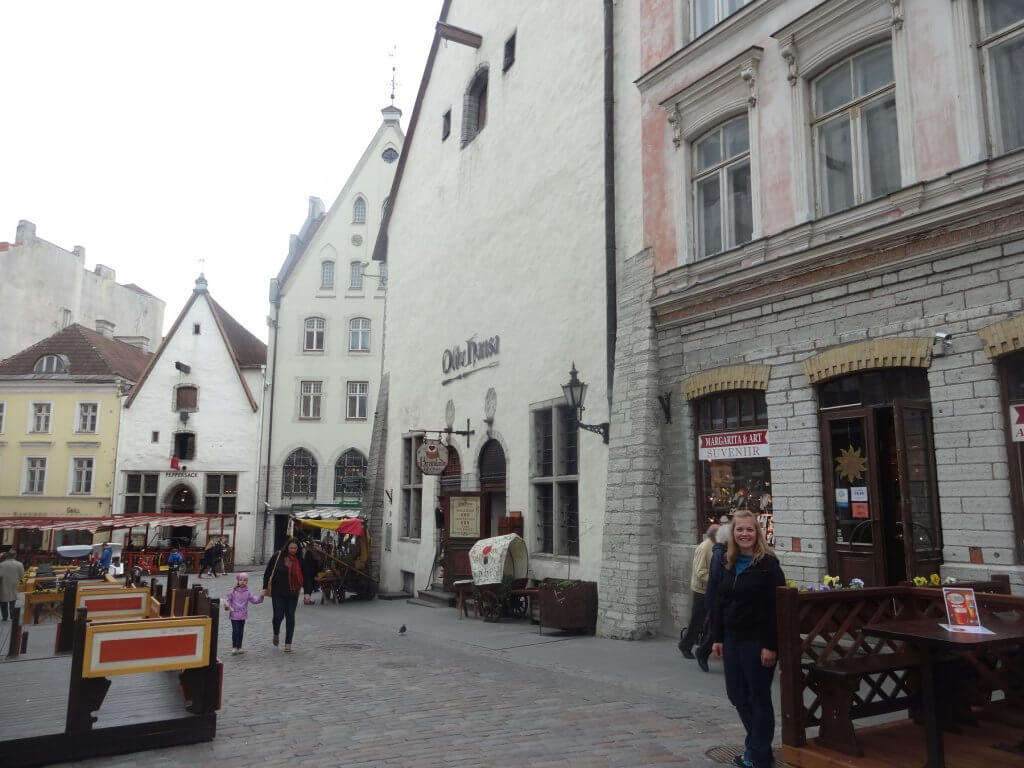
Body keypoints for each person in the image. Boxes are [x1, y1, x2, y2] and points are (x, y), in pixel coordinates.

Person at [712, 510, 786, 768]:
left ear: (758, 533)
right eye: (739, 530)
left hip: (757, 641)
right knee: (736, 694)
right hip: (732, 639)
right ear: (733, 534)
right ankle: (759, 747)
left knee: (758, 695)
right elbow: (721, 603)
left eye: (749, 530)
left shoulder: (768, 565)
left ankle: (756, 752)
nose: (744, 534)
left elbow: (776, 609)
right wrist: (717, 637)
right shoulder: (727, 562)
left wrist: (771, 645)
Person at [695, 521, 731, 672]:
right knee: (717, 630)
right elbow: (714, 578)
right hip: (716, 599)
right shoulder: (718, 553)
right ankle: (702, 652)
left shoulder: (721, 551)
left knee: (720, 629)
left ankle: (704, 651)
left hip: (718, 599)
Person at [679, 523, 718, 660]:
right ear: (714, 535)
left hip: (710, 589)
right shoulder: (705, 547)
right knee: (697, 620)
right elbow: (700, 571)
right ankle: (685, 645)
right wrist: (716, 579)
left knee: (712, 620)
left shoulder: (714, 546)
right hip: (701, 590)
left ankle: (707, 647)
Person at [262, 538, 304, 652]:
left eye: (295, 548)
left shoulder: (299, 558)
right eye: (291, 548)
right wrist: (265, 587)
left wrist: (307, 592)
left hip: (293, 593)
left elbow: (305, 573)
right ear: (287, 547)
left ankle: (288, 643)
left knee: (290, 616)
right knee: (278, 616)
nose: (293, 550)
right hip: (278, 592)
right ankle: (276, 632)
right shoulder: (278, 556)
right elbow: (268, 572)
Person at [223, 572, 263, 654]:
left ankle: (239, 647)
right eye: (241, 580)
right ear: (238, 581)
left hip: (243, 616)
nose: (242, 581)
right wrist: (227, 606)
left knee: (240, 631)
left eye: (245, 580)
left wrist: (261, 596)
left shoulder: (248, 592)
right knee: (235, 631)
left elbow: (255, 600)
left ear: (247, 582)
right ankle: (234, 647)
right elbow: (228, 600)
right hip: (234, 615)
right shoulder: (233, 592)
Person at [0, 550, 25, 621]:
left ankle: (5, 616)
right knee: (13, 600)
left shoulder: (2, 564)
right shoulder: (19, 564)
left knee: (3, 601)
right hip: (14, 583)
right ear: (15, 555)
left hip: (3, 584)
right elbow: (22, 575)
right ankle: (12, 615)